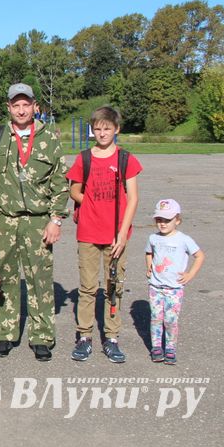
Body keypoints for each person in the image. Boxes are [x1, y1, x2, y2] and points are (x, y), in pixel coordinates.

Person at [0, 83, 68, 362]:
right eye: (16, 105)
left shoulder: (49, 138)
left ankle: (41, 337)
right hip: (4, 218)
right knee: (2, 277)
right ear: (9, 107)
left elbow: (61, 182)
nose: (22, 110)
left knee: (40, 280)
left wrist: (56, 220)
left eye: (26, 104)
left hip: (38, 221)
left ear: (35, 106)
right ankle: (4, 332)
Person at [67, 106, 142, 364]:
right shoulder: (84, 158)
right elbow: (74, 190)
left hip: (115, 235)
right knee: (88, 288)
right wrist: (90, 204)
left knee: (114, 287)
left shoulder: (125, 159)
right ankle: (84, 336)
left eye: (107, 128)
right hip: (88, 232)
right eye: (97, 128)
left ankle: (111, 337)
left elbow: (133, 198)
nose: (102, 133)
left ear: (116, 129)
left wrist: (122, 234)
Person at [145, 199, 205, 365]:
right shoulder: (153, 238)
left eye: (167, 220)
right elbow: (149, 252)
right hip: (155, 286)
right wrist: (149, 267)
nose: (162, 223)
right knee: (156, 318)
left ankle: (170, 348)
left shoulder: (184, 239)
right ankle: (156, 347)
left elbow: (199, 256)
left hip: (174, 288)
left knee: (170, 320)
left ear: (177, 220)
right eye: (159, 219)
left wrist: (190, 274)